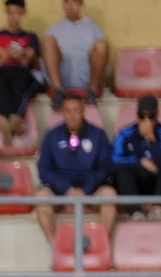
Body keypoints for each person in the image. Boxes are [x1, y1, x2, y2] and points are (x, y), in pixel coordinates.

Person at [35, 93, 116, 243]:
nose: (72, 115)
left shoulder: (98, 134)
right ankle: (55, 247)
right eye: (67, 111)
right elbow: (43, 169)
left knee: (109, 194)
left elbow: (105, 168)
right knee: (41, 197)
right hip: (59, 191)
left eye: (76, 110)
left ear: (83, 110)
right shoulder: (52, 135)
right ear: (62, 112)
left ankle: (101, 245)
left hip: (91, 191)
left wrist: (85, 189)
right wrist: (67, 189)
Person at [0, 0, 45, 144]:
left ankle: (5, 120)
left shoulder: (30, 37)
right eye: (9, 12)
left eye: (16, 13)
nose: (12, 17)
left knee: (19, 78)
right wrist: (5, 56)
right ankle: (15, 120)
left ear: (23, 13)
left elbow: (26, 61)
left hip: (20, 74)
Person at [109, 95, 161, 220]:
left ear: (157, 115)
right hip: (133, 183)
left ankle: (157, 210)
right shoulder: (125, 133)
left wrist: (151, 138)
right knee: (123, 173)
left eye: (150, 116)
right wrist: (139, 162)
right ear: (137, 114)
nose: (146, 120)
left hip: (155, 182)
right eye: (142, 115)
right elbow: (113, 161)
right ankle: (136, 213)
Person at [44, 0, 108, 106]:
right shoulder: (53, 31)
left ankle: (92, 91)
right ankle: (58, 91)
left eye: (74, 1)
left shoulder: (94, 29)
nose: (70, 6)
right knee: (48, 41)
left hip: (87, 81)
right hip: (61, 80)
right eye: (67, 2)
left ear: (81, 4)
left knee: (101, 44)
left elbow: (102, 60)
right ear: (63, 4)